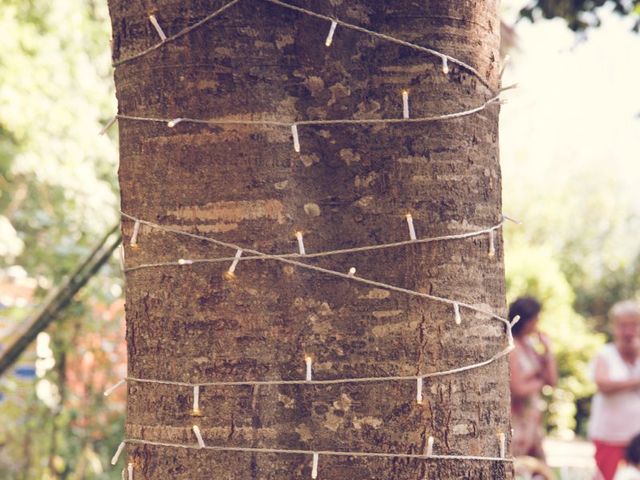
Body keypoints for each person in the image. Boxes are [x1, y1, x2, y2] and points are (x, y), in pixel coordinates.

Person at [589, 301, 640, 480]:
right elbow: (603, 385)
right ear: (615, 327)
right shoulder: (605, 354)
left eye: (634, 325)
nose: (628, 331)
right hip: (609, 436)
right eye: (623, 325)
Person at [509, 296, 558, 461]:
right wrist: (539, 382)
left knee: (538, 468)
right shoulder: (512, 347)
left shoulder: (529, 345)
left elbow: (551, 380)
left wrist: (548, 350)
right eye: (536, 318)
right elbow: (518, 388)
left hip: (532, 418)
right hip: (517, 419)